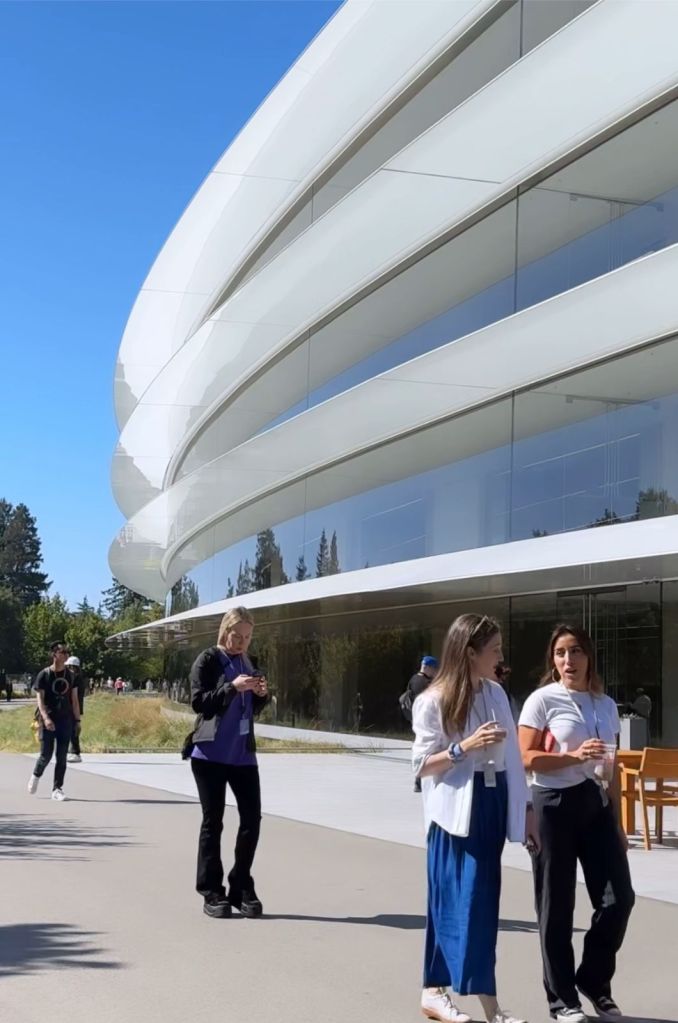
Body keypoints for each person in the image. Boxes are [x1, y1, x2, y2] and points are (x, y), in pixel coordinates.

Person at [412, 614, 535, 1023]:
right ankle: (442, 993)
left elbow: (514, 759)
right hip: (454, 814)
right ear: (470, 652)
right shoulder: (433, 700)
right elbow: (421, 766)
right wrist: (464, 747)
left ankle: (480, 1004)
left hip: (491, 802)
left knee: (480, 905)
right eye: (494, 649)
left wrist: (526, 808)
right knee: (451, 902)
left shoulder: (497, 694)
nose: (501, 655)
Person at [518, 624, 635, 1023]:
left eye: (577, 651)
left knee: (619, 899)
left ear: (589, 656)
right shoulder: (542, 701)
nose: (569, 660)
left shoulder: (604, 703)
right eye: (561, 653)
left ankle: (593, 981)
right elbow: (526, 758)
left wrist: (618, 821)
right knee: (557, 906)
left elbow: (612, 765)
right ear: (553, 660)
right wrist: (573, 757)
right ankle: (562, 999)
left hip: (595, 804)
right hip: (552, 804)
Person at [188, 606, 269, 919]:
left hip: (243, 755)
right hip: (209, 754)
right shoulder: (208, 659)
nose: (242, 642)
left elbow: (253, 708)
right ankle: (211, 891)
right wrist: (231, 688)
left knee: (252, 820)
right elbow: (198, 701)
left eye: (248, 637)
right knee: (214, 822)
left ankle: (241, 884)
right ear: (226, 631)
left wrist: (261, 694)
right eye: (238, 636)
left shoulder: (250, 662)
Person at [27, 642, 81, 801]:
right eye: (62, 652)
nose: (65, 655)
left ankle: (57, 788)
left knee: (62, 756)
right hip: (48, 719)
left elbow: (75, 700)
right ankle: (36, 775)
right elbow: (40, 700)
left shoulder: (71, 676)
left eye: (67, 652)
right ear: (54, 655)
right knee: (46, 755)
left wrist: (77, 721)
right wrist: (45, 718)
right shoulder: (44, 675)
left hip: (65, 720)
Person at [66, 656, 86, 763]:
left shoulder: (75, 678)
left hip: (74, 707)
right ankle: (71, 751)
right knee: (70, 730)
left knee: (73, 730)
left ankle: (75, 752)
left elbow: (75, 696)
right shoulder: (77, 677)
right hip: (74, 707)